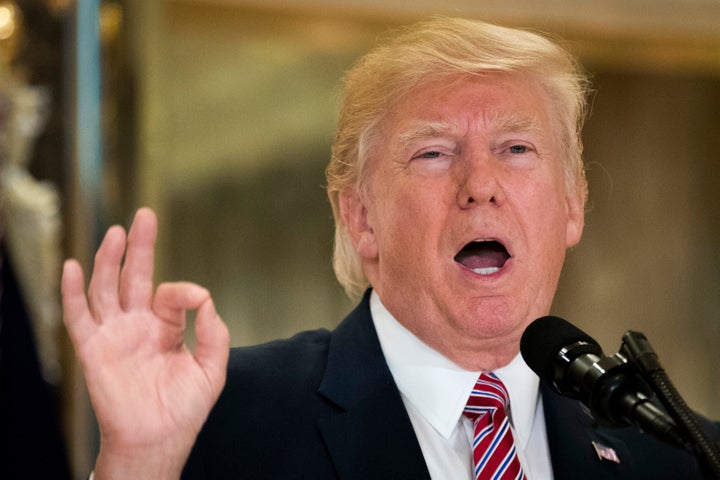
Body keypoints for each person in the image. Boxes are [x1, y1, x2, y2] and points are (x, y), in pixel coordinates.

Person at [61, 17, 716, 479]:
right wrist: (140, 465)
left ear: (573, 204)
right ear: (361, 218)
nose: (480, 186)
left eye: (516, 149)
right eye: (434, 152)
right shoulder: (223, 420)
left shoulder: (672, 451)